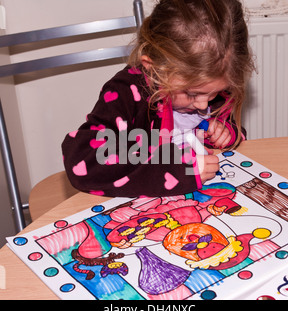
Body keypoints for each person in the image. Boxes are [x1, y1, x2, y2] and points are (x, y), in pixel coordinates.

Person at [62, 0, 254, 197]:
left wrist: (224, 132)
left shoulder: (208, 83)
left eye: (214, 93)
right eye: (191, 94)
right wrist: (182, 170)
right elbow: (83, 162)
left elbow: (226, 127)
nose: (204, 104)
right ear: (154, 68)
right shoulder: (127, 92)